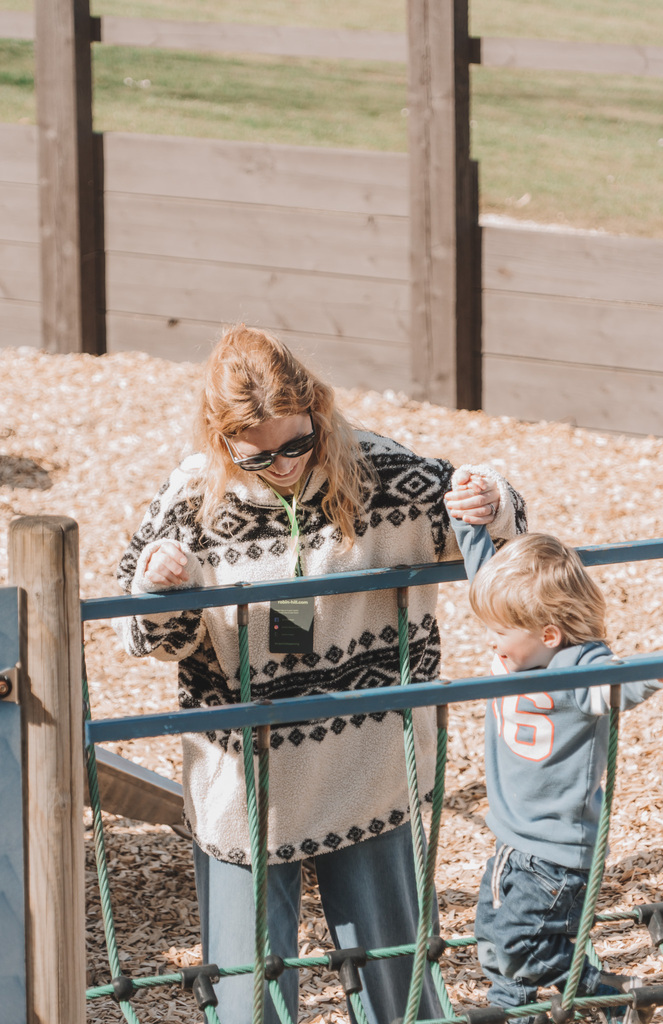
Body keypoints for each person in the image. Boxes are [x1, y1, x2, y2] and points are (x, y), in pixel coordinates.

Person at [113, 324, 527, 1024]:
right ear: (220, 444)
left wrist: (492, 498)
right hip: (246, 780)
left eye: (296, 444)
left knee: (395, 983)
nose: (280, 466)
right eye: (256, 456)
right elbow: (141, 635)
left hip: (364, 762)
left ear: (318, 412)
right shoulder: (191, 499)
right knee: (249, 995)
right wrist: (162, 588)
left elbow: (490, 540)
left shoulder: (379, 470)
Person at [443, 478, 663, 1024]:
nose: (490, 642)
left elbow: (615, 685)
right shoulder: (520, 634)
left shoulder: (578, 668)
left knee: (520, 947)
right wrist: (468, 507)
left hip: (555, 853)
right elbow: (484, 569)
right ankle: (528, 1013)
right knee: (493, 940)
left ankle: (615, 994)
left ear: (548, 634)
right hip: (509, 836)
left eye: (499, 631)